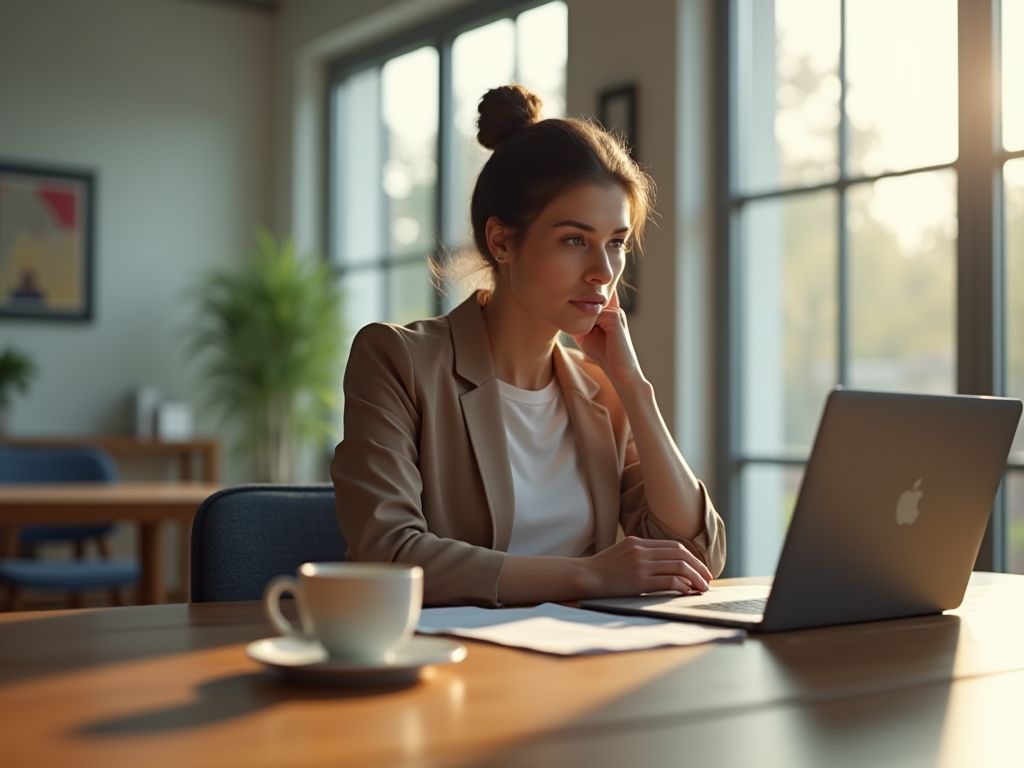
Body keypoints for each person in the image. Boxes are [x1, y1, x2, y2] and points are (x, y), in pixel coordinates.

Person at [331, 84, 725, 607]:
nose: (603, 272)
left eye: (616, 243)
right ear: (501, 242)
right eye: (574, 240)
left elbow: (694, 552)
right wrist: (587, 576)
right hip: (455, 668)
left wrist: (634, 388)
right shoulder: (398, 360)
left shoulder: (601, 391)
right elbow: (389, 553)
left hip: (582, 660)